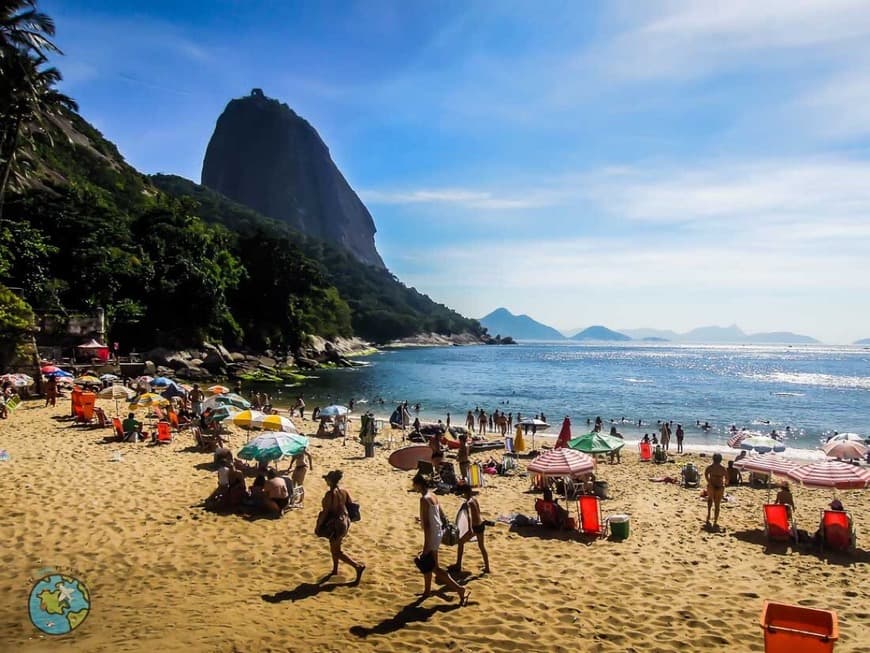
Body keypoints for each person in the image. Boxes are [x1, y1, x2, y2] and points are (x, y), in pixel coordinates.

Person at [411, 472, 468, 604]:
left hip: (432, 535)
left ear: (419, 484)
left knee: (435, 567)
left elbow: (427, 526)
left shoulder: (424, 499)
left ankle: (459, 589)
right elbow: (438, 515)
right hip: (438, 532)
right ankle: (427, 591)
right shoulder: (433, 495)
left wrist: (426, 546)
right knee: (428, 565)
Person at [316, 470, 365, 582]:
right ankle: (335, 569)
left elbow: (325, 512)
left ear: (329, 481)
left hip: (336, 524)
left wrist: (318, 526)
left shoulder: (329, 495)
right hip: (345, 521)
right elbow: (350, 505)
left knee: (336, 551)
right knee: (335, 547)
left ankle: (357, 567)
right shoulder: (344, 492)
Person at [454, 482, 490, 574]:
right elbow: (478, 511)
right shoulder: (474, 499)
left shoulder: (468, 503)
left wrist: (470, 529)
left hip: (475, 527)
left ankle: (458, 565)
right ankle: (487, 568)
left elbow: (469, 516)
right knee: (482, 547)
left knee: (461, 542)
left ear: (465, 493)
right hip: (481, 525)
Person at [704, 453, 728, 527]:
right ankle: (715, 520)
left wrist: (709, 482)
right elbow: (727, 479)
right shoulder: (723, 468)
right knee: (717, 504)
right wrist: (724, 483)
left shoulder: (710, 467)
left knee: (710, 500)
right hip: (720, 487)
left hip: (711, 486)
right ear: (720, 460)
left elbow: (706, 475)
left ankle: (708, 515)